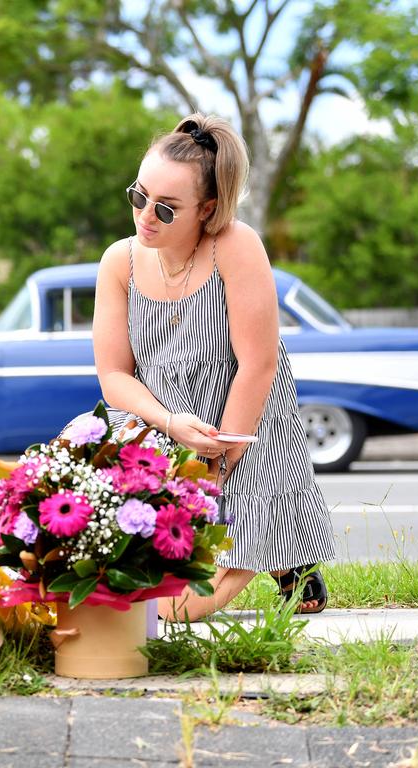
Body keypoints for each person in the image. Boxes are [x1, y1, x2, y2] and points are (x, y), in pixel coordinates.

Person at [92, 113, 335, 621]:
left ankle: (274, 543)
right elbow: (114, 377)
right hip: (158, 427)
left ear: (207, 209)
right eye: (139, 197)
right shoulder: (119, 261)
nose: (145, 217)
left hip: (240, 428)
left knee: (171, 615)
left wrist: (214, 472)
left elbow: (258, 364)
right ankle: (271, 544)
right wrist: (171, 425)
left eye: (166, 208)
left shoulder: (235, 245)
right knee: (113, 588)